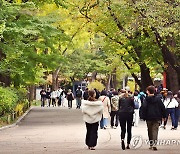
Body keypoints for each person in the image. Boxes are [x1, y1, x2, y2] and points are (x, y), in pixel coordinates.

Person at [140, 86, 166, 151]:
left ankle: (151, 144)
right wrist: (164, 116)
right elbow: (162, 107)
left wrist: (142, 116)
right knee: (155, 130)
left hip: (148, 117)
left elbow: (144, 108)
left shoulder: (146, 99)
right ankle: (155, 144)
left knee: (149, 130)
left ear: (148, 91)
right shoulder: (158, 99)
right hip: (157, 116)